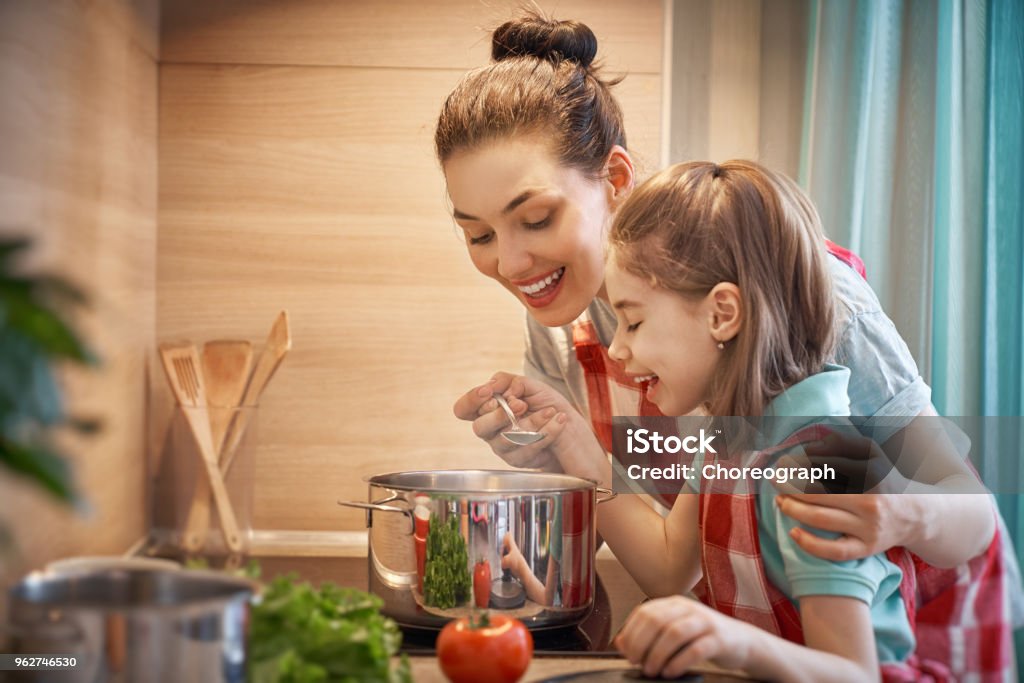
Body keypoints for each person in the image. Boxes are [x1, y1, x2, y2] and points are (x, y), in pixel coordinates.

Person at [435, 11, 1016, 679]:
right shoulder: (566, 321)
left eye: (535, 218)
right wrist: (568, 440)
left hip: (931, 622)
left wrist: (894, 509)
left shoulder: (811, 302)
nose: (509, 263)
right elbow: (670, 560)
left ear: (616, 180)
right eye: (478, 235)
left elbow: (966, 509)